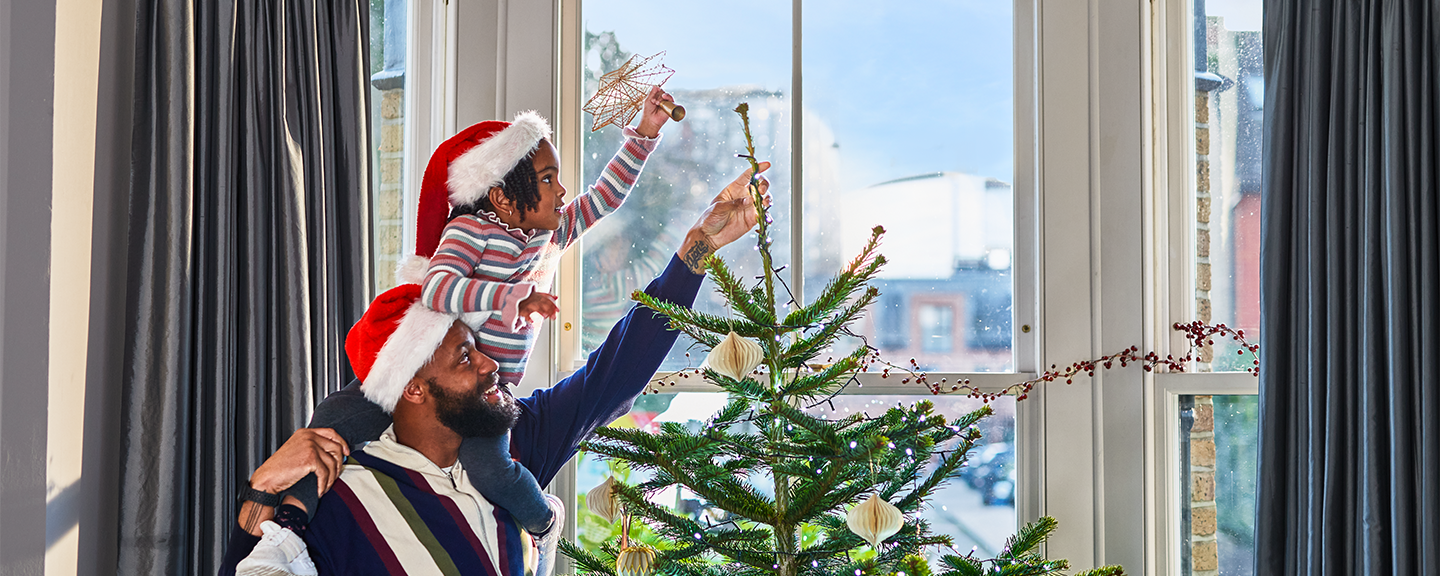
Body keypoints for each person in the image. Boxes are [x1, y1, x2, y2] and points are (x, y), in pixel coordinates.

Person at [220, 161, 773, 576]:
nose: (491, 364)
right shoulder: (343, 489)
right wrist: (262, 491)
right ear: (411, 386)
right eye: (465, 357)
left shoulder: (516, 442)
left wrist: (697, 251)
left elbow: (618, 372)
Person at [276, 94, 672, 537]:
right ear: (502, 197)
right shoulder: (472, 230)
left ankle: (542, 524)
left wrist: (645, 135)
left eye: (557, 178)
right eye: (546, 179)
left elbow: (604, 198)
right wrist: (512, 299)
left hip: (486, 389)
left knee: (493, 470)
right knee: (337, 418)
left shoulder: (552, 229)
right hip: (424, 364)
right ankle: (290, 511)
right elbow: (439, 287)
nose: (561, 191)